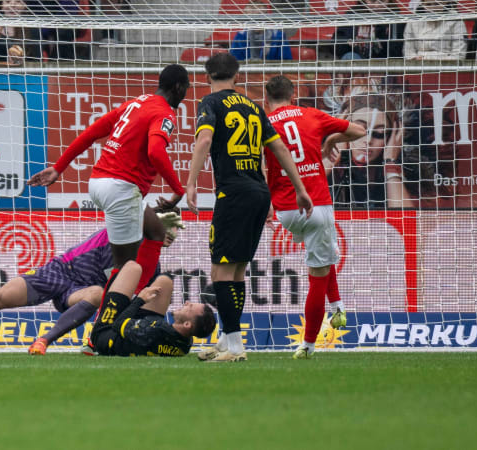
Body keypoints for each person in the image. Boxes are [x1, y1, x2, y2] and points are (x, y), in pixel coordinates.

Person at [186, 53, 313, 362]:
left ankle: (235, 347)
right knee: (237, 271)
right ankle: (228, 342)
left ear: (207, 77)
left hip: (234, 193)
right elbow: (279, 148)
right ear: (237, 78)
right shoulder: (252, 108)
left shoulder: (210, 103)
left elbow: (204, 141)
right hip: (259, 193)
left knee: (221, 271)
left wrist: (190, 183)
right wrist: (300, 189)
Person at [0, 209, 183, 356]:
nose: (170, 235)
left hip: (80, 292)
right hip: (60, 270)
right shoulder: (125, 232)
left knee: (96, 294)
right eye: (167, 229)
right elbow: (132, 210)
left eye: (174, 232)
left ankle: (43, 341)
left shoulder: (150, 266)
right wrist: (156, 215)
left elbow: (123, 303)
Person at [28, 64, 189, 294]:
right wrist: (178, 190)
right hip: (120, 188)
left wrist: (59, 168)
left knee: (155, 232)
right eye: (186, 89)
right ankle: (115, 316)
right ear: (178, 87)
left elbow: (91, 132)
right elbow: (155, 151)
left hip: (100, 181)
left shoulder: (136, 102)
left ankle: (132, 304)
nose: (185, 95)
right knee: (126, 268)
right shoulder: (165, 113)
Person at [262, 75, 365, 359]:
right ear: (293, 95)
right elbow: (357, 130)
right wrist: (331, 137)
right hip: (315, 204)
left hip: (284, 209)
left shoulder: (264, 123)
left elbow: (260, 163)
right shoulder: (312, 115)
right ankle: (308, 345)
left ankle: (338, 308)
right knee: (318, 272)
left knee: (323, 252)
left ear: (266, 99)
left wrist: (266, 203)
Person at [90, 261, 217, 358]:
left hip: (106, 334)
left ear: (187, 324)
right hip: (136, 332)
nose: (187, 302)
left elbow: (118, 324)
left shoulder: (152, 331)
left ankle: (90, 343)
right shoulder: (185, 344)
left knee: (132, 268)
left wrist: (140, 299)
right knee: (165, 282)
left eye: (190, 307)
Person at [403, 0, 467, 60]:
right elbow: (408, 50)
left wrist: (444, 60)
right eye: (428, 4)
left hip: (447, 65)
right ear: (422, 4)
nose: (433, 8)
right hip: (418, 64)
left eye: (437, 4)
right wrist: (414, 58)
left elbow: (459, 54)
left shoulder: (456, 19)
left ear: (445, 3)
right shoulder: (413, 21)